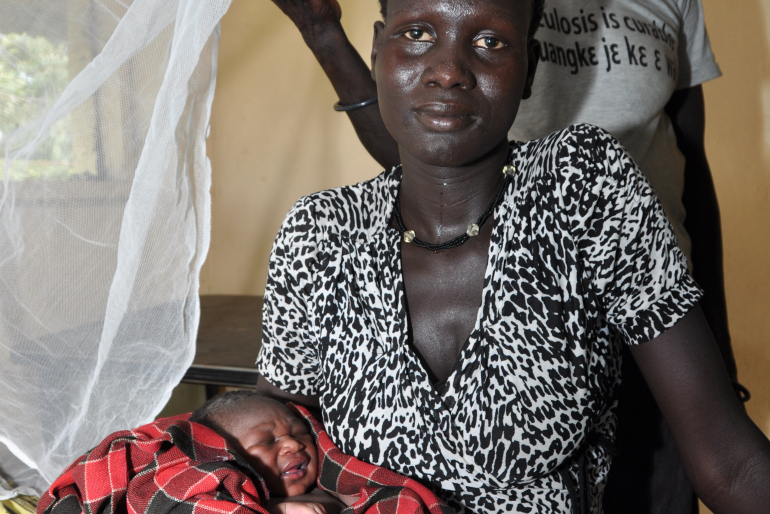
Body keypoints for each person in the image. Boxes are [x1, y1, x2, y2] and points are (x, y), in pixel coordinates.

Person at [254, 0, 770, 512]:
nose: (449, 71)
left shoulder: (579, 185)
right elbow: (271, 458)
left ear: (529, 67)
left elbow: (730, 468)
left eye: (490, 42)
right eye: (416, 35)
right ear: (376, 51)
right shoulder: (319, 233)